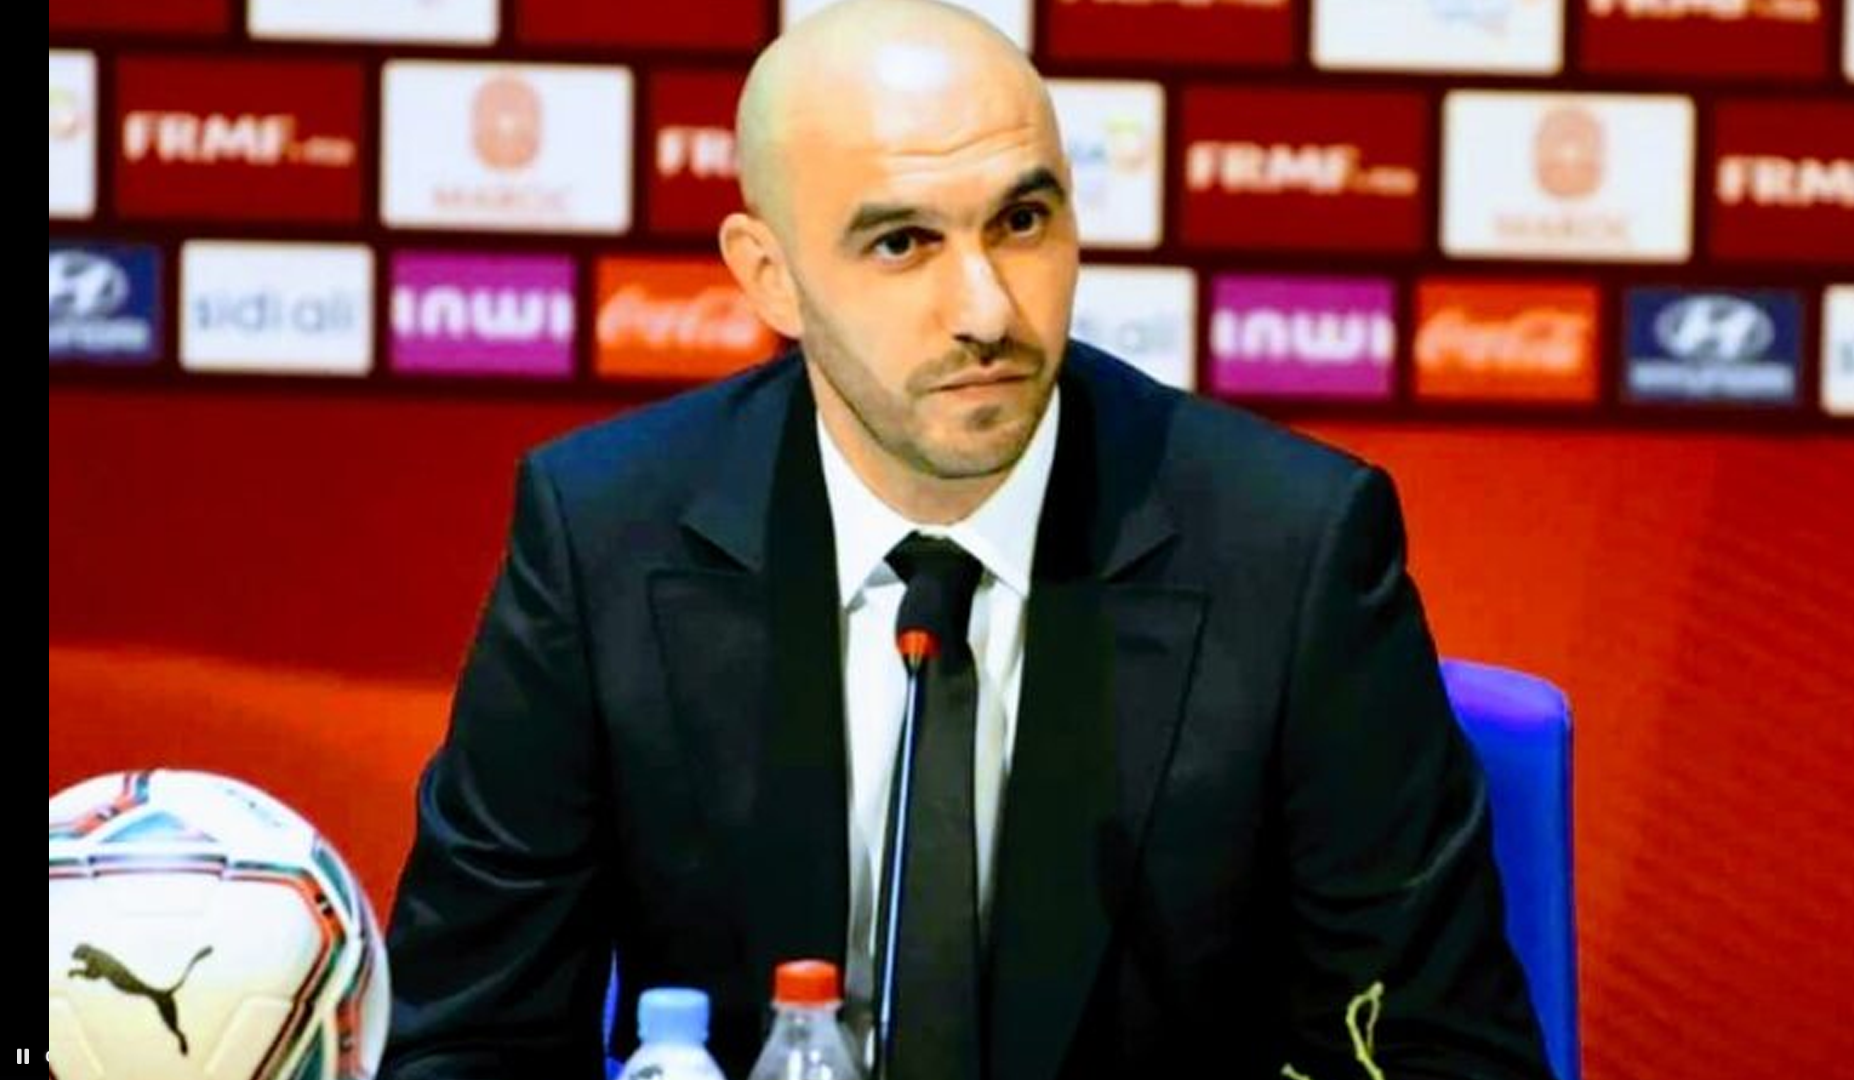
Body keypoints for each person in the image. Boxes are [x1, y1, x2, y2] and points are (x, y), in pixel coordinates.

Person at [378, 1, 1551, 1077]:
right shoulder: (604, 538)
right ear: (770, 277)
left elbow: (1439, 1052)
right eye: (902, 244)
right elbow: (471, 1039)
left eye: (1022, 222)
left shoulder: (1290, 549)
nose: (988, 310)